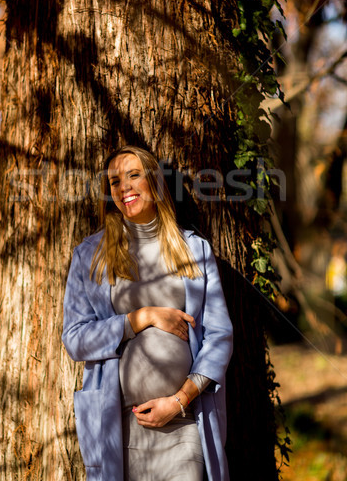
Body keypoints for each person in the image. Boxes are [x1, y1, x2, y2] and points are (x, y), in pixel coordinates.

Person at [62, 146, 233, 481]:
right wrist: (140, 318)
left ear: (154, 182)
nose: (123, 186)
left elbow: (219, 335)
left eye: (133, 175)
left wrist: (180, 401)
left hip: (184, 423)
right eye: (114, 181)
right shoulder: (89, 256)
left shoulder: (194, 250)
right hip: (119, 430)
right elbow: (75, 339)